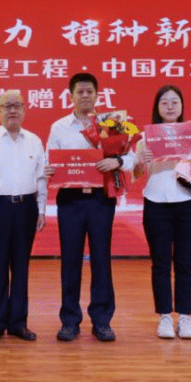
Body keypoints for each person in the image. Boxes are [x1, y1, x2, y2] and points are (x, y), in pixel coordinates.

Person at [47, 72, 135, 342]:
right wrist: (50, 169)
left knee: (101, 259)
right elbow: (50, 161)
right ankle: (70, 320)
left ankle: (102, 320)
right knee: (70, 261)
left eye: (89, 91)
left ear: (98, 95)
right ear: (71, 95)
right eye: (80, 91)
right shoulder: (59, 127)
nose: (85, 96)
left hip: (100, 200)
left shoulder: (112, 124)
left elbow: (131, 156)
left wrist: (117, 162)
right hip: (70, 200)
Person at [135, 85, 191, 340]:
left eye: (175, 102)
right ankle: (165, 318)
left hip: (187, 204)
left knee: (184, 264)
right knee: (160, 264)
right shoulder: (145, 138)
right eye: (165, 103)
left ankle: (186, 317)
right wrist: (141, 160)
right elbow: (136, 174)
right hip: (156, 204)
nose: (170, 106)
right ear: (157, 108)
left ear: (182, 106)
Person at [0, 90, 47, 343]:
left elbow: (41, 177)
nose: (12, 110)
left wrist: (42, 209)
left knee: (21, 267)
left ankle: (18, 323)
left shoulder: (34, 140)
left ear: (25, 110)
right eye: (7, 106)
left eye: (17, 106)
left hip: (27, 207)